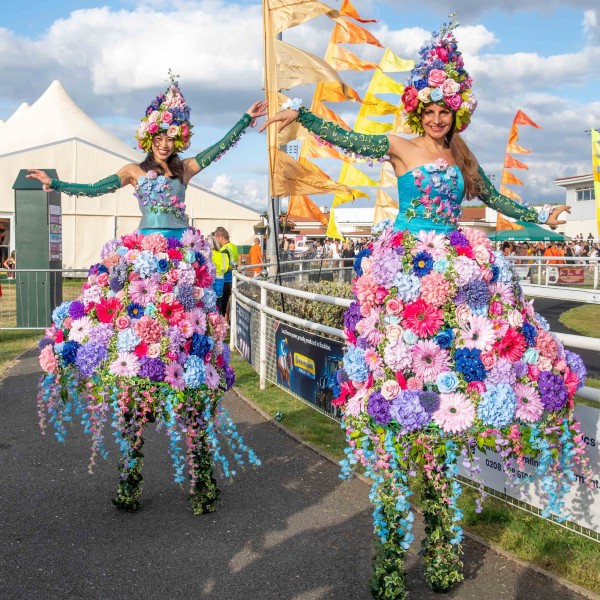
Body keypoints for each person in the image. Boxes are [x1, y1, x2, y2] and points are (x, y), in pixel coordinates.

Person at [262, 16, 585, 598]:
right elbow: (350, 142)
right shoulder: (396, 144)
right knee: (395, 418)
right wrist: (303, 116)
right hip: (405, 284)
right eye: (431, 108)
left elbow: (495, 197)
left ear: (457, 110)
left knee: (447, 419)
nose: (438, 117)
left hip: (457, 285)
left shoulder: (462, 156)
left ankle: (440, 550)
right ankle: (389, 560)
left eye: (447, 109)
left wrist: (543, 218)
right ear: (419, 107)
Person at [28, 75, 265, 514]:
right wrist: (56, 186)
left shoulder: (186, 169)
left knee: (191, 361)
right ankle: (131, 477)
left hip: (181, 270)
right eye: (158, 136)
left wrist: (244, 121)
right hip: (142, 268)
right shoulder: (132, 172)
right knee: (134, 368)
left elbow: (217, 150)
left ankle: (202, 480)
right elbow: (95, 188)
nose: (164, 143)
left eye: (171, 136)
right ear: (148, 136)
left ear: (178, 139)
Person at [213, 226, 237, 318]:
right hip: (232, 279)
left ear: (221, 237)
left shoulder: (224, 250)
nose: (217, 241)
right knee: (228, 303)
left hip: (225, 280)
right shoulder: (233, 246)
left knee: (222, 305)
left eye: (217, 239)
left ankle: (222, 324)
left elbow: (223, 266)